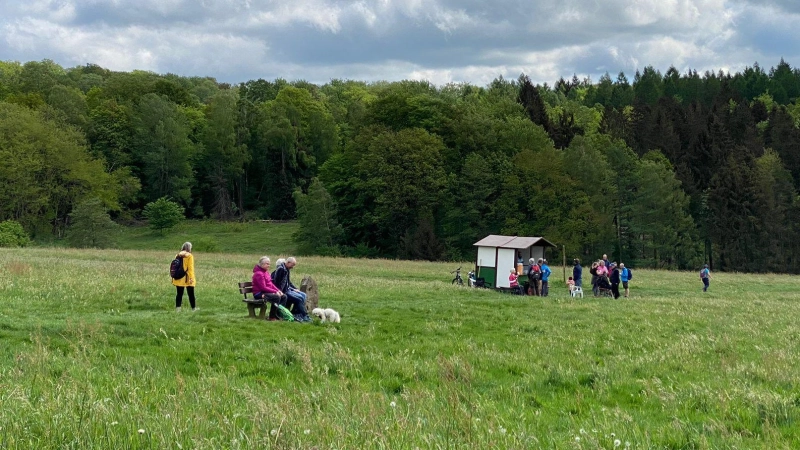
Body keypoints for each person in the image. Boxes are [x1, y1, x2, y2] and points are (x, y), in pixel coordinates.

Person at [272, 257, 311, 322]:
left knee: (303, 295)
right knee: (300, 298)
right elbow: (277, 282)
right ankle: (304, 315)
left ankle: (297, 313)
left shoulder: (286, 269)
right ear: (288, 262)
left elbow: (288, 282)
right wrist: (279, 292)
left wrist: (294, 289)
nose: (293, 267)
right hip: (284, 291)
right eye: (292, 265)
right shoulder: (281, 270)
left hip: (287, 289)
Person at [252, 256, 287, 321]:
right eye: (267, 264)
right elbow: (263, 288)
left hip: (265, 292)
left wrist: (278, 290)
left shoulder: (266, 272)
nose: (269, 265)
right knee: (276, 297)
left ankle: (278, 314)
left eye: (269, 264)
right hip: (259, 294)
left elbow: (271, 284)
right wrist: (275, 292)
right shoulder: (259, 274)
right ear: (262, 264)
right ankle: (272, 317)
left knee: (284, 296)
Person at [172, 242, 197, 311]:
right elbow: (190, 268)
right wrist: (191, 278)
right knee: (191, 294)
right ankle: (193, 308)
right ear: (189, 248)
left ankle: (178, 309)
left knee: (179, 294)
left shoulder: (177, 255)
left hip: (178, 277)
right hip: (187, 278)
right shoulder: (189, 256)